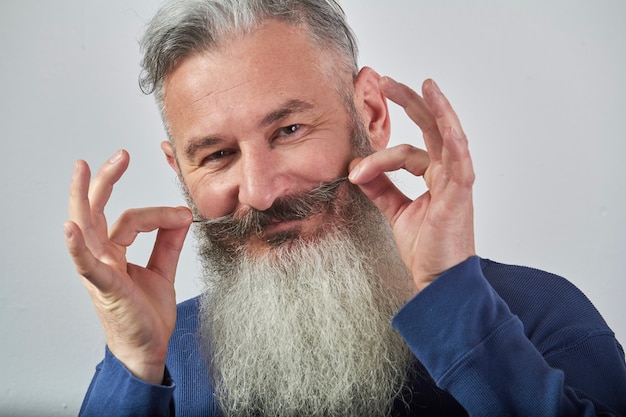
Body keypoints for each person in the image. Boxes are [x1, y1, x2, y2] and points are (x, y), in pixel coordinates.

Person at [64, 0, 626, 416]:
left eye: (288, 129)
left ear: (372, 115)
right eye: (217, 154)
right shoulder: (166, 353)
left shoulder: (539, 315)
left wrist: (452, 301)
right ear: (179, 170)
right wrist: (134, 366)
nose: (260, 192)